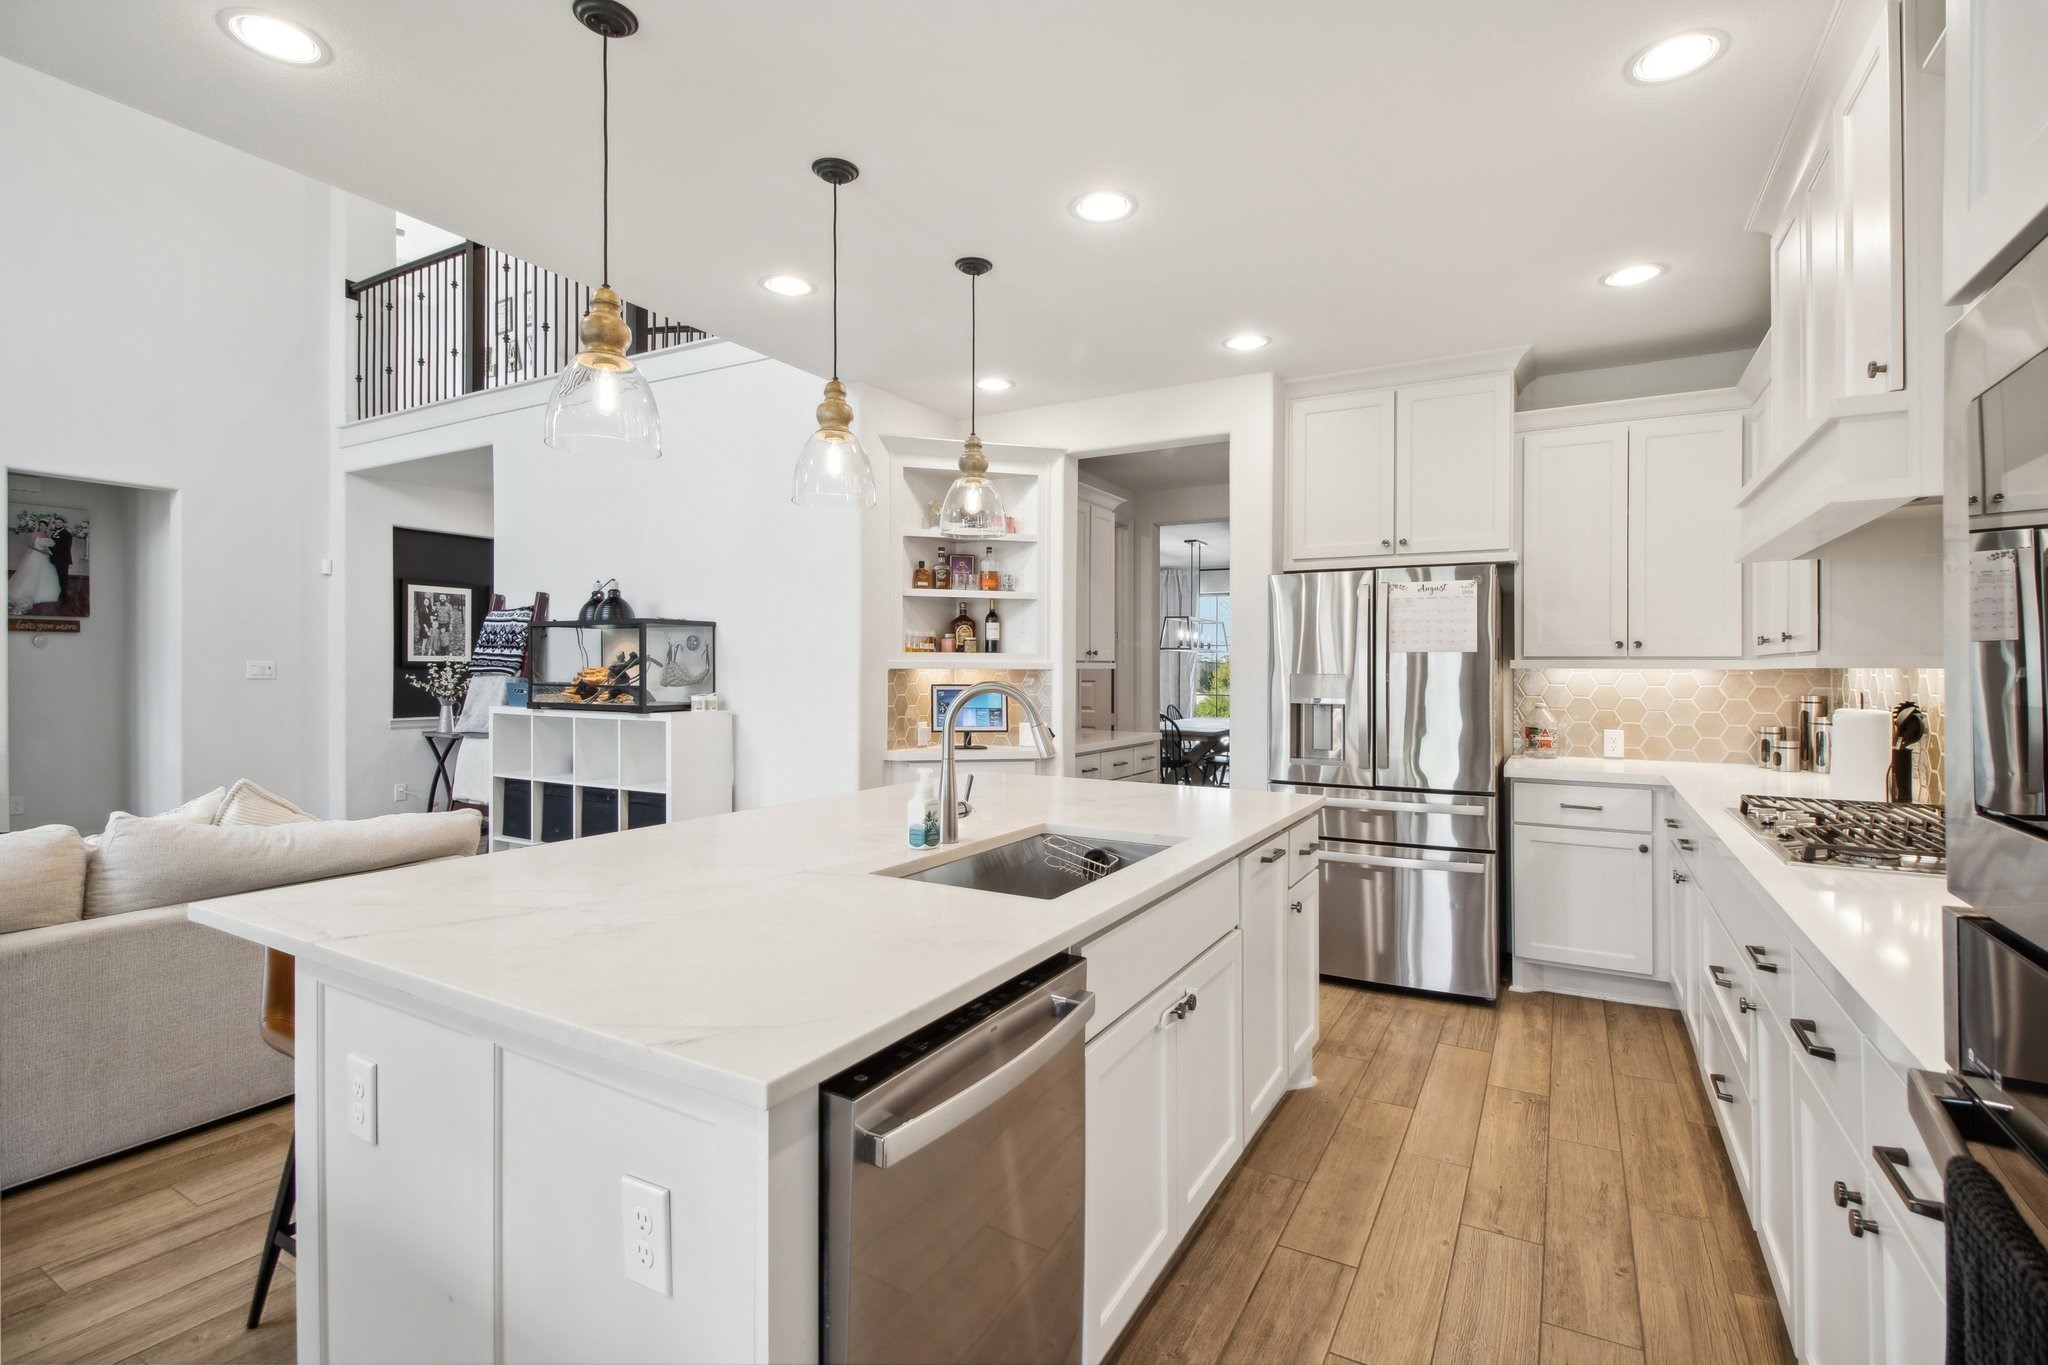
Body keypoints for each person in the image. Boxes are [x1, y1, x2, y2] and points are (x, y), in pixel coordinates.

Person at [8, 518, 60, 615]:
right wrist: (41, 551)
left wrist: (47, 550)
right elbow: (30, 545)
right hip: (35, 555)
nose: (42, 527)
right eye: (40, 525)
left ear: (46, 527)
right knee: (31, 574)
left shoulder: (47, 535)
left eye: (44, 526)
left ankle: (42, 592)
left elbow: (47, 546)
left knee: (44, 574)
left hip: (45, 557)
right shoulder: (35, 534)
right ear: (38, 526)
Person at [47, 517, 73, 607]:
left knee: (63, 577)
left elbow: (64, 547)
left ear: (63, 524)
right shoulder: (55, 533)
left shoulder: (67, 534)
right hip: (55, 559)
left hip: (63, 559)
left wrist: (50, 550)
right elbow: (52, 543)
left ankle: (63, 595)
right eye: (56, 523)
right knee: (57, 576)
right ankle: (59, 592)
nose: (57, 524)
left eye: (59, 523)